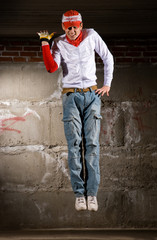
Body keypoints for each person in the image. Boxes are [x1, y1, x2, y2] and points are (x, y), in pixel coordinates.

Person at [38, 10, 114, 211]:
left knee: (92, 145)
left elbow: (107, 57)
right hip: (71, 96)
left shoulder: (91, 35)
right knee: (74, 145)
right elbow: (51, 68)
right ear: (64, 27)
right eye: (68, 27)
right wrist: (45, 43)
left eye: (75, 26)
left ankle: (92, 194)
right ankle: (80, 195)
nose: (72, 31)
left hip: (92, 95)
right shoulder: (59, 43)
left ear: (81, 25)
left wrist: (106, 84)